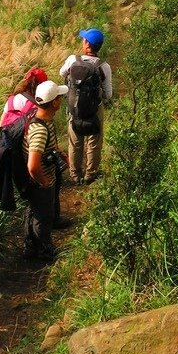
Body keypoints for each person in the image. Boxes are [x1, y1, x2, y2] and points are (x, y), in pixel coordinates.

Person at [21, 80, 70, 262]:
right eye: (59, 97)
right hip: (39, 180)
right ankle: (44, 252)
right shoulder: (40, 130)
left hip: (34, 180)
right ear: (55, 102)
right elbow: (33, 165)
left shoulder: (39, 116)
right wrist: (44, 181)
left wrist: (59, 153)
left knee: (34, 212)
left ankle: (30, 247)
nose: (61, 99)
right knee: (44, 217)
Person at [60, 27, 113, 185]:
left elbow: (62, 73)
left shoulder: (72, 60)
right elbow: (108, 94)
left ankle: (75, 175)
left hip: (74, 108)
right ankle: (90, 175)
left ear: (87, 44)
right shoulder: (104, 66)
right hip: (94, 109)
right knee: (94, 143)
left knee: (75, 142)